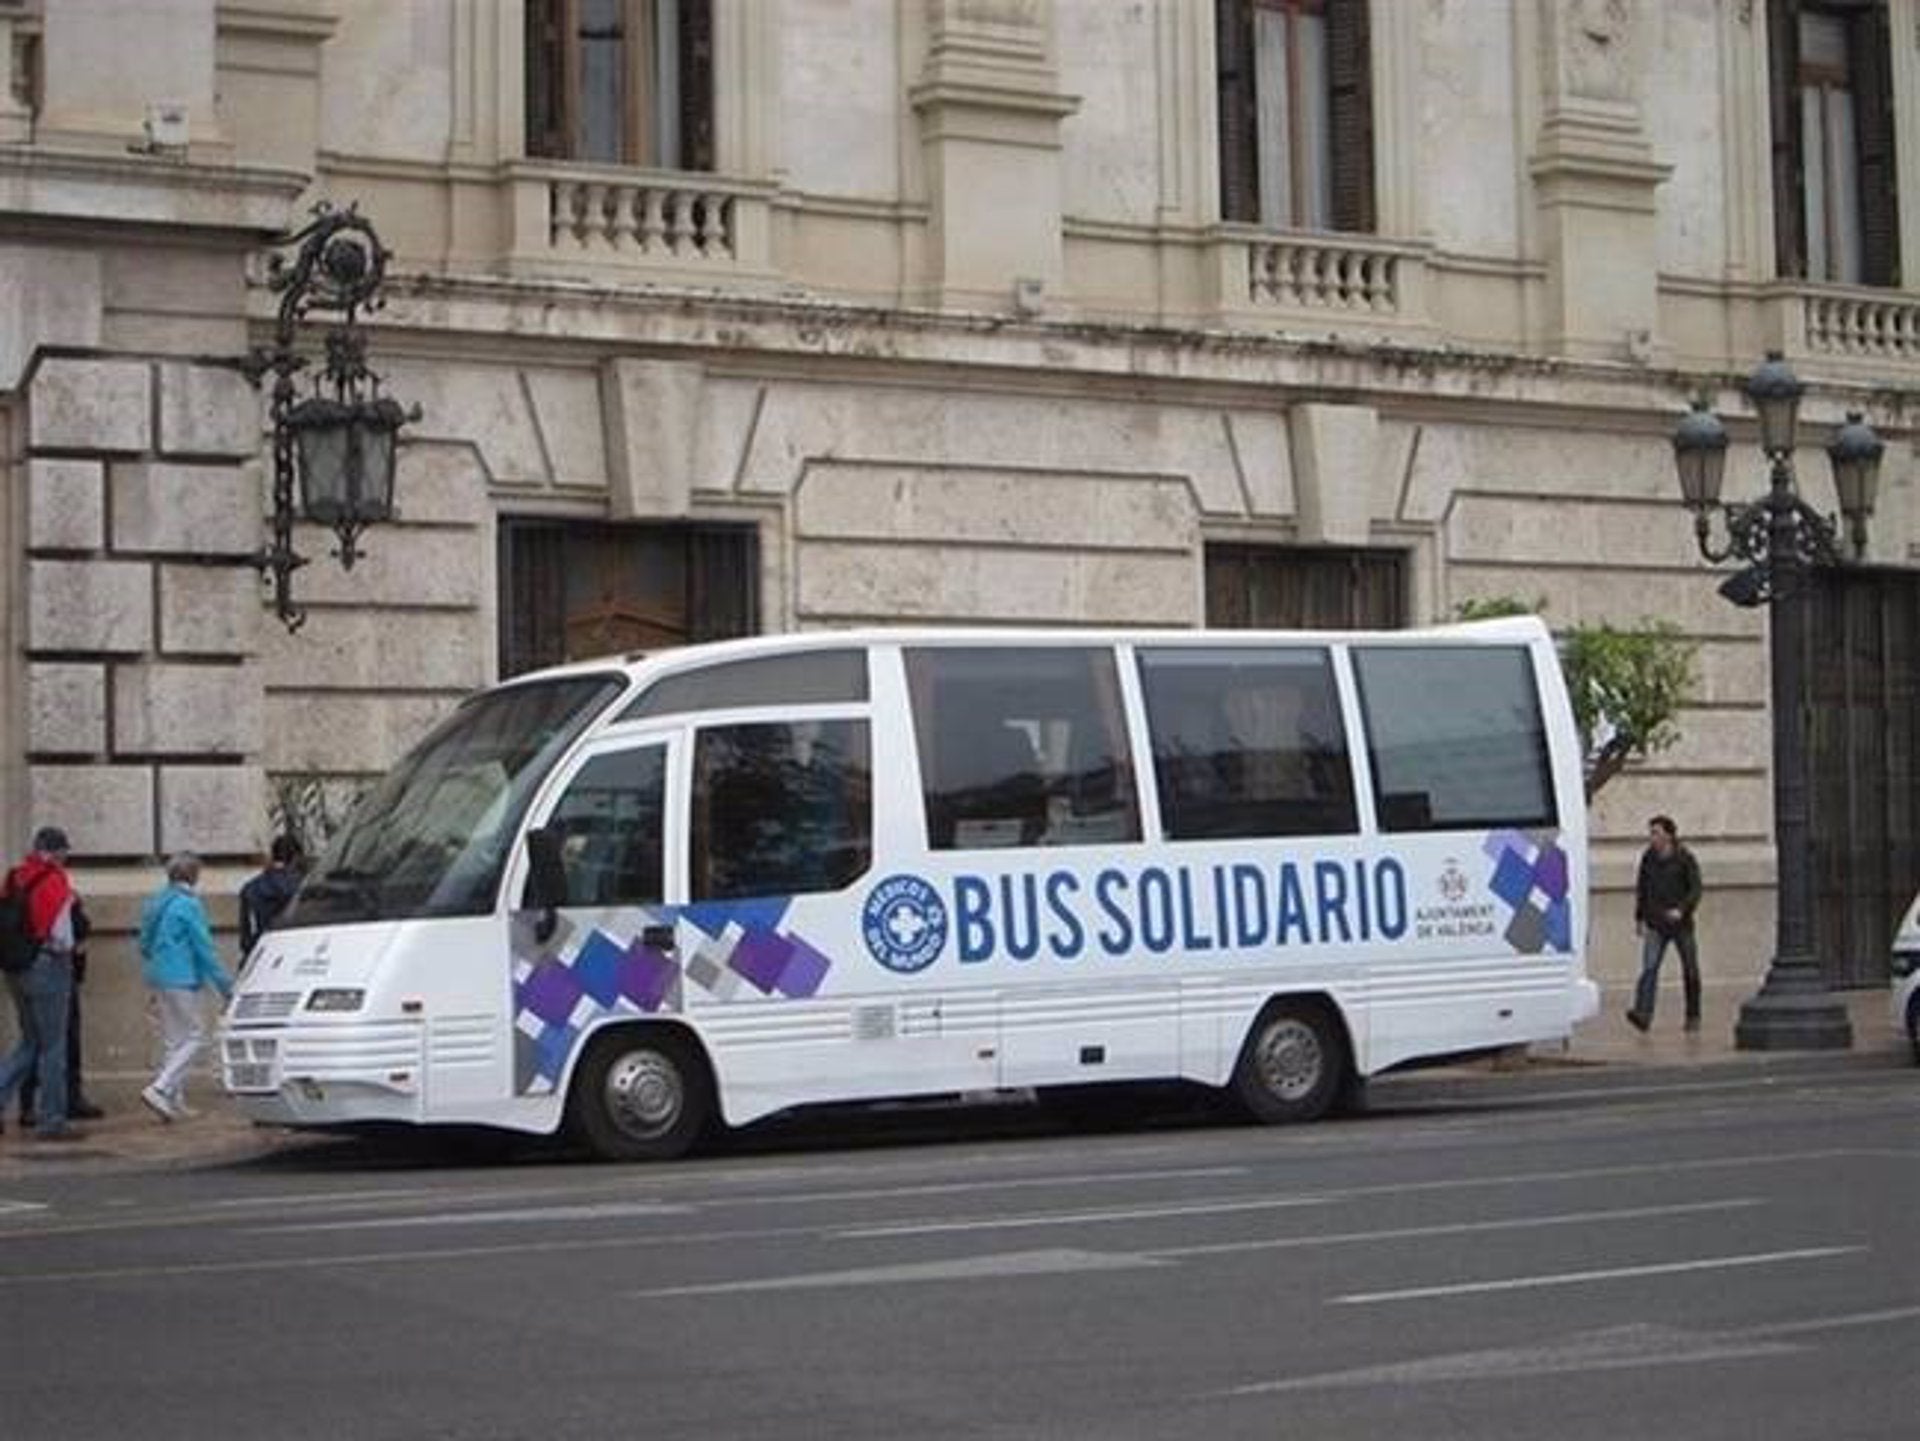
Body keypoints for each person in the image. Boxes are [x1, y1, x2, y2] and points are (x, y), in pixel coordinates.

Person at [0, 826, 86, 1141]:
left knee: (29, 1042)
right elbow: (62, 936)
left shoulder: (14, 876)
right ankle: (52, 1119)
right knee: (53, 1046)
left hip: (15, 968)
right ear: (57, 851)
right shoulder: (55, 880)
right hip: (47, 966)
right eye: (65, 851)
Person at [138, 852, 234, 1122]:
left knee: (173, 1041)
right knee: (196, 1036)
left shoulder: (155, 902)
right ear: (194, 875)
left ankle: (172, 1102)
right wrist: (225, 985)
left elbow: (144, 943)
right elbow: (204, 948)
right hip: (183, 977)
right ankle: (159, 1087)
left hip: (158, 976)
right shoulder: (189, 905)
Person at [20, 895, 103, 1126]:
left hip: (28, 970)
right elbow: (73, 932)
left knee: (36, 1041)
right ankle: (60, 1103)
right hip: (56, 972)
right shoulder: (57, 888)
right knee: (57, 1042)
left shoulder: (22, 882)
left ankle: (31, 1103)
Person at [1628, 814, 1703, 1033]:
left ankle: (1693, 1015)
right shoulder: (1648, 858)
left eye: (1656, 833)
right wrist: (1639, 917)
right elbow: (1642, 888)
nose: (1652, 838)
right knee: (1649, 969)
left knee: (1690, 969)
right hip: (1655, 921)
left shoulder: (1685, 858)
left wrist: (1682, 909)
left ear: (1669, 835)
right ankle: (1643, 1013)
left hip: (1681, 924)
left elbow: (1696, 889)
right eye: (1651, 833)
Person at [238, 834, 304, 967]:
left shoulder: (249, 888)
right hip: (292, 956)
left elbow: (246, 934)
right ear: (296, 858)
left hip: (260, 955)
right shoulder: (302, 887)